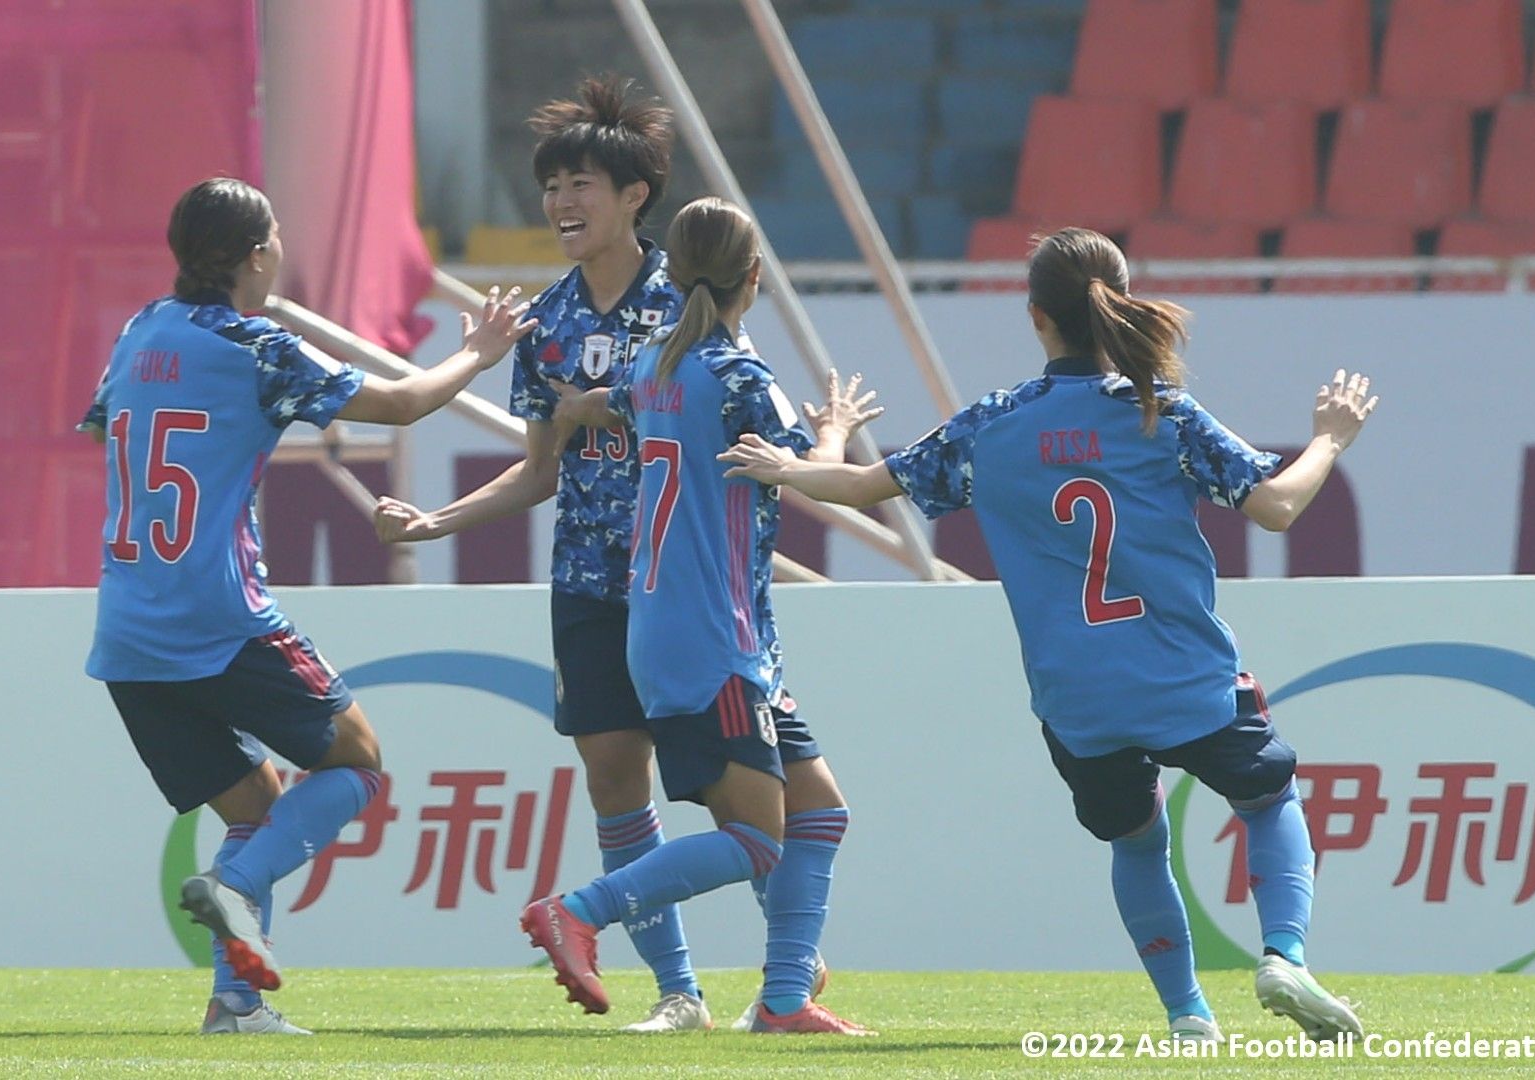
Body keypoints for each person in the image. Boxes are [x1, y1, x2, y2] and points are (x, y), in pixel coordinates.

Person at [718, 227, 1377, 1044]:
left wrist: (787, 465)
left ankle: (1188, 1017)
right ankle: (1284, 956)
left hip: (1077, 697)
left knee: (1137, 843)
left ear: (1035, 315)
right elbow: (1275, 506)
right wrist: (1330, 437)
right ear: (1120, 303)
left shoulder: (994, 424)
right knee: (1268, 798)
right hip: (1184, 675)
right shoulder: (1160, 412)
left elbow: (858, 486)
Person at [80, 176, 534, 1035]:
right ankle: (235, 887)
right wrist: (480, 351)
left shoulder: (142, 330)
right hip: (219, 616)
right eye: (278, 237)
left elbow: (108, 427)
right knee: (358, 758)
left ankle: (235, 1005)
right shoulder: (256, 347)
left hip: (129, 630)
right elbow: (402, 404)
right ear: (257, 255)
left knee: (256, 808)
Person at [372, 75, 718, 1033]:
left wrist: (616, 407)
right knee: (613, 777)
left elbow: (723, 420)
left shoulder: (690, 305)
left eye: (581, 184)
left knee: (741, 791)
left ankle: (791, 978)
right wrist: (434, 522)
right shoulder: (548, 324)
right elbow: (537, 473)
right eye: (552, 185)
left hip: (688, 579)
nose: (561, 201)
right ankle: (679, 992)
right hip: (588, 583)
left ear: (635, 196)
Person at [519, 196, 878, 1036]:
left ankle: (784, 1001)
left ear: (673, 275)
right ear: (754, 276)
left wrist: (573, 406)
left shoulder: (656, 366)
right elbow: (816, 477)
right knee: (758, 839)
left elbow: (610, 406)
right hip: (712, 635)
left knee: (820, 812)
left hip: (686, 627)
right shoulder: (741, 377)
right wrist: (834, 429)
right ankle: (576, 910)